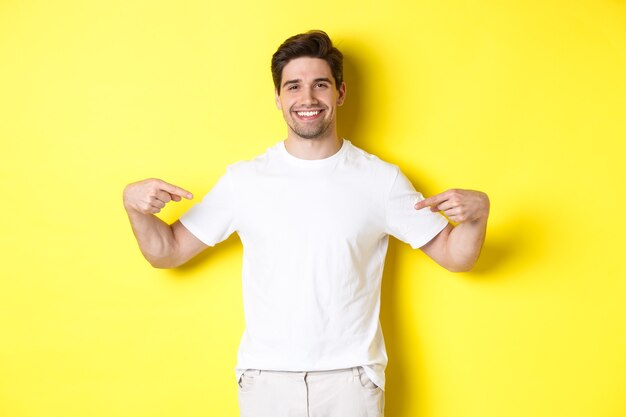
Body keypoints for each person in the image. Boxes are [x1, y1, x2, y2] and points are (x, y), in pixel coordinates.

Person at [123, 30, 489, 417]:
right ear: (279, 99)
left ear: (340, 93)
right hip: (267, 379)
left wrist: (479, 213)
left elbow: (455, 256)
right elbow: (167, 252)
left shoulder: (381, 180)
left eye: (320, 85)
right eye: (293, 86)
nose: (307, 98)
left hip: (350, 380)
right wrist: (133, 206)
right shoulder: (244, 181)